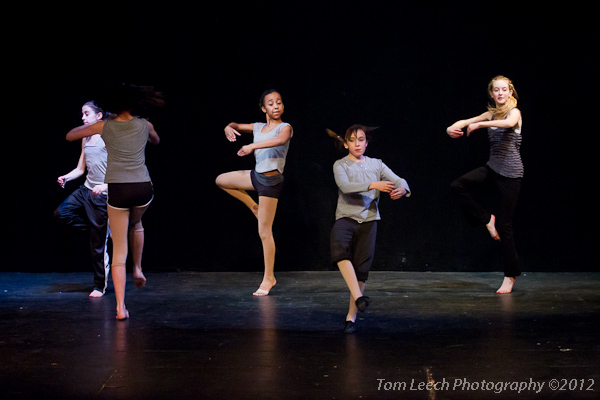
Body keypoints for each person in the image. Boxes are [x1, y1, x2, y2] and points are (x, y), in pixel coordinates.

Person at [66, 83, 163, 320]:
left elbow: (70, 135)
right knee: (137, 224)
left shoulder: (104, 126)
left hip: (118, 189)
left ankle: (120, 307)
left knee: (119, 249)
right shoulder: (144, 124)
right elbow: (156, 141)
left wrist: (101, 122)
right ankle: (138, 268)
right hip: (142, 187)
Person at [328, 125, 410, 333]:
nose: (357, 144)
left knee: (362, 268)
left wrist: (402, 189)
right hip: (346, 218)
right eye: (352, 140)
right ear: (345, 144)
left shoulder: (376, 164)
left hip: (369, 220)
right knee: (339, 249)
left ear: (366, 143)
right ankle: (359, 297)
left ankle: (351, 317)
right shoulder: (341, 165)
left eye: (361, 139)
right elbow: (345, 187)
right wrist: (373, 185)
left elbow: (399, 180)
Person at [446, 75, 523, 294]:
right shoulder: (490, 113)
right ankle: (487, 218)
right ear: (491, 93)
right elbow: (463, 122)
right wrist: (451, 128)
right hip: (492, 169)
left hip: (511, 174)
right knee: (457, 186)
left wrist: (480, 124)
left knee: (505, 226)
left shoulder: (514, 113)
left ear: (510, 92)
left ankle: (510, 275)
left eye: (504, 90)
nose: (500, 93)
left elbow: (508, 124)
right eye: (496, 90)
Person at [215, 89, 293, 296]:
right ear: (263, 108)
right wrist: (228, 127)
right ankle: (253, 206)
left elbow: (280, 140)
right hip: (255, 176)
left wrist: (252, 146)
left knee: (264, 232)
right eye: (271, 103)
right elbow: (235, 125)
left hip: (270, 182)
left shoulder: (285, 127)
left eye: (279, 102)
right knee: (221, 180)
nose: (276, 106)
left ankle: (269, 278)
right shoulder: (258, 127)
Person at [55, 101, 110, 298]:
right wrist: (66, 177)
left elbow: (122, 169)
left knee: (97, 246)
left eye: (87, 114)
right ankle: (101, 231)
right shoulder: (86, 136)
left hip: (101, 192)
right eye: (82, 114)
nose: (83, 118)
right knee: (61, 213)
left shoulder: (109, 137)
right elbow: (81, 168)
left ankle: (99, 286)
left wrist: (106, 186)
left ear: (99, 115)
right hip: (86, 188)